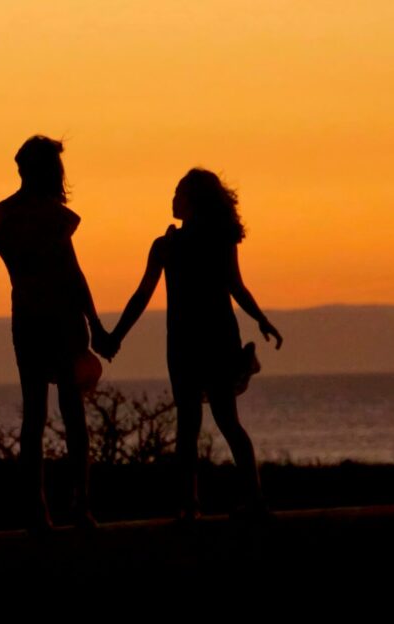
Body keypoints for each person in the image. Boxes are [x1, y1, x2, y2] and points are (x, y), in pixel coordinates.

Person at [106, 168, 283, 521]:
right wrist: (116, 336)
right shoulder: (178, 244)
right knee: (217, 422)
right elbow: (234, 287)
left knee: (198, 424)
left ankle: (201, 503)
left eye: (179, 193)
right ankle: (232, 499)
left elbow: (233, 287)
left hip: (196, 341)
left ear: (193, 201)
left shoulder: (174, 245)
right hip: (204, 340)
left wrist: (116, 337)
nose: (173, 199)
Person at [0, 135, 108, 533]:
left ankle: (38, 508)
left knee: (36, 415)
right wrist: (95, 324)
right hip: (61, 320)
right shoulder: (55, 216)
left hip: (27, 320)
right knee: (72, 414)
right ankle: (78, 505)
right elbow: (73, 276)